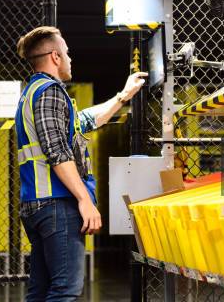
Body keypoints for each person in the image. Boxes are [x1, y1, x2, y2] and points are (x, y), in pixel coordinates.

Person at [15, 26, 147, 301]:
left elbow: (85, 121)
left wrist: (123, 96)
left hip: (39, 203)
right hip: (57, 203)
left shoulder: (34, 92)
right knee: (66, 289)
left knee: (40, 291)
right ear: (55, 56)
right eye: (67, 52)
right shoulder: (49, 92)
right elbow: (57, 152)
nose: (70, 58)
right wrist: (84, 199)